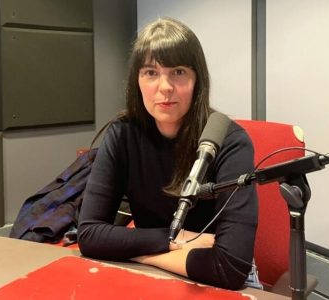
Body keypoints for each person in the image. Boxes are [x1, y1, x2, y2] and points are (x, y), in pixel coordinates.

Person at [77, 17, 259, 290]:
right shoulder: (122, 134)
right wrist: (177, 239)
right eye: (151, 72)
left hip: (215, 282)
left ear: (197, 80)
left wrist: (138, 251)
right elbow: (90, 235)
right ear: (136, 80)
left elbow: (230, 266)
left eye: (178, 72)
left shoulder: (230, 142)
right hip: (166, 269)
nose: (164, 87)